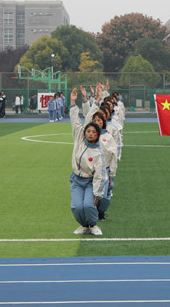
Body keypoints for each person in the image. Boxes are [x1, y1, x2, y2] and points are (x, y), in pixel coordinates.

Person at [68, 88, 111, 236]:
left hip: (90, 181)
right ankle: (84, 225)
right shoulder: (79, 140)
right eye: (88, 131)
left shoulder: (98, 152)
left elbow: (99, 174)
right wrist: (73, 103)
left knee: (88, 205)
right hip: (76, 180)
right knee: (76, 207)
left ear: (98, 134)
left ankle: (93, 225)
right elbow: (78, 121)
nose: (90, 134)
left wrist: (98, 194)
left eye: (94, 132)